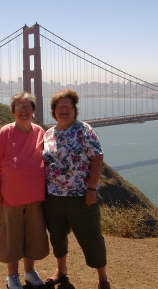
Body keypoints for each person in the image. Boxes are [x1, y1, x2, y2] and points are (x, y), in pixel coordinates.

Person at [42, 89, 111, 289]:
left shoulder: (84, 130)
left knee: (91, 237)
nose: (63, 110)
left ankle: (102, 278)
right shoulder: (48, 134)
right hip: (53, 197)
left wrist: (92, 188)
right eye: (59, 107)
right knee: (57, 236)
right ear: (53, 111)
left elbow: (97, 157)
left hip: (81, 196)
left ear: (74, 110)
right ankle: (61, 271)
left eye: (68, 107)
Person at [0, 91, 49, 289]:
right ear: (13, 111)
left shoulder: (40, 131)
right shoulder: (5, 132)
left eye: (27, 106)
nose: (24, 110)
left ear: (33, 110)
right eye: (19, 106)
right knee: (11, 238)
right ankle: (12, 276)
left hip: (35, 197)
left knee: (33, 236)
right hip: (9, 197)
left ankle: (30, 272)